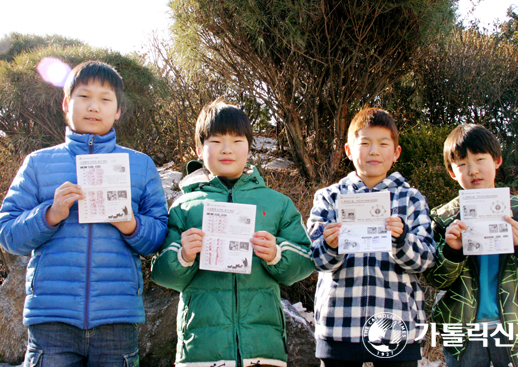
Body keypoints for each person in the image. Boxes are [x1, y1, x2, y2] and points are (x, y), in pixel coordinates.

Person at [0, 61, 169, 367]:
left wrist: (130, 224)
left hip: (116, 319)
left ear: (118, 110)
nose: (94, 107)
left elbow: (157, 238)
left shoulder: (140, 166)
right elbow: (8, 236)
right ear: (66, 103)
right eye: (84, 97)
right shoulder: (38, 164)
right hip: (51, 320)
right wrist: (50, 214)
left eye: (105, 99)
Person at [150, 99, 314, 367]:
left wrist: (276, 254)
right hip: (201, 352)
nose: (227, 149)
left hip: (263, 349)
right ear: (199, 149)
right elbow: (163, 275)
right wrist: (183, 255)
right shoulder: (184, 205)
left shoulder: (277, 203)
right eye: (215, 141)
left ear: (249, 146)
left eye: (237, 140)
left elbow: (305, 262)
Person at [307, 106, 436, 367]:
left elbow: (426, 259)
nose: (374, 151)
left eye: (383, 143)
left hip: (396, 327)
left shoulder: (410, 198)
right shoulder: (330, 197)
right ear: (348, 150)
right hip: (339, 326)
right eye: (364, 143)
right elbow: (316, 259)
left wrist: (401, 240)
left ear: (396, 152)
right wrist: (330, 245)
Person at [424, 124, 518, 367]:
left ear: (497, 161)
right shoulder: (445, 218)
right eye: (461, 164)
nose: (472, 170)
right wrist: (452, 251)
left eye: (480, 159)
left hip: (517, 330)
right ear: (452, 172)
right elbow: (435, 280)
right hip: (465, 336)